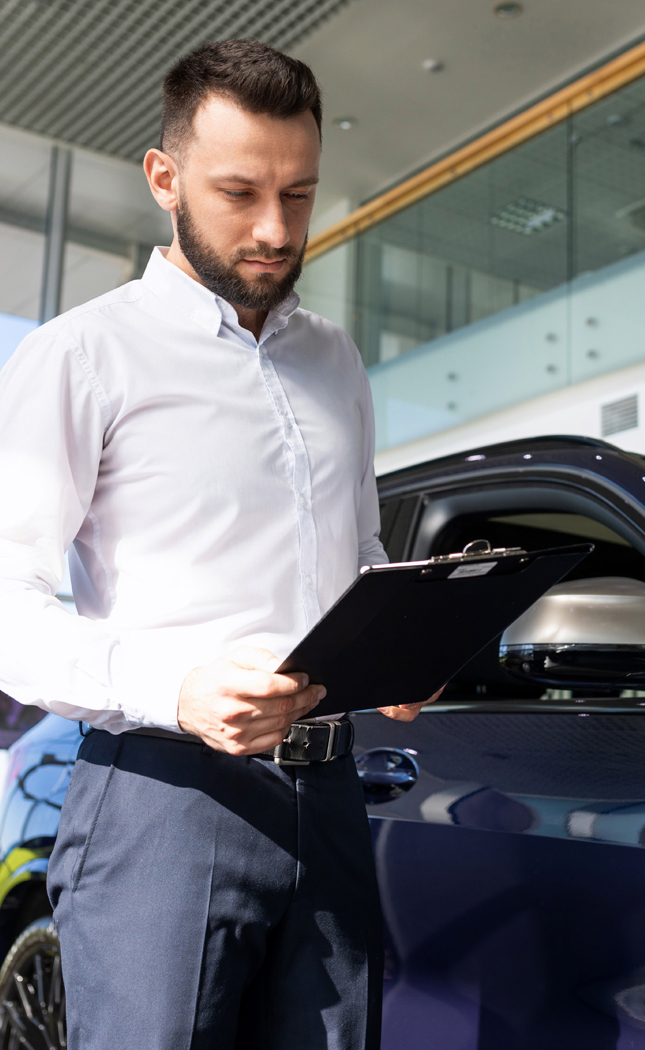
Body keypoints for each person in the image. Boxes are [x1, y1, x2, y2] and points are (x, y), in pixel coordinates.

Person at [0, 38, 436, 1050]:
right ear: (164, 179)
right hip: (160, 798)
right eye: (240, 191)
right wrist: (180, 687)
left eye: (300, 193)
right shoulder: (82, 354)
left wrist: (397, 649)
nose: (276, 229)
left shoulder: (336, 359)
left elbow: (356, 551)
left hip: (330, 795)